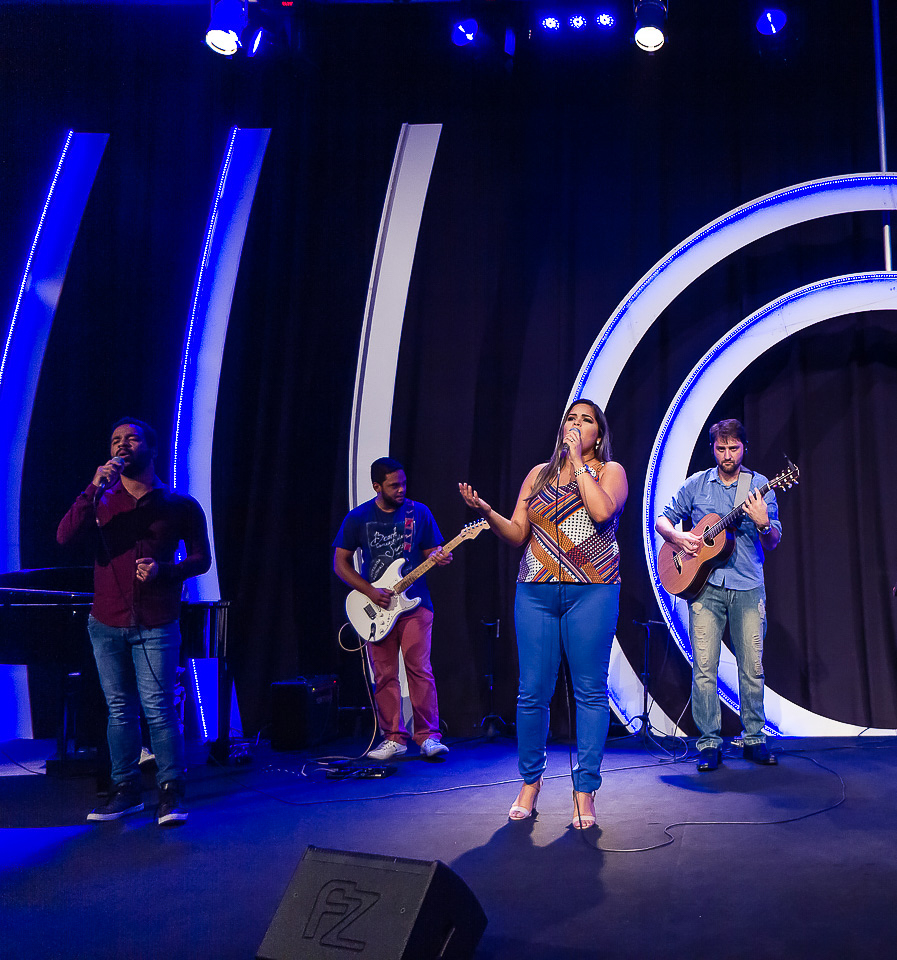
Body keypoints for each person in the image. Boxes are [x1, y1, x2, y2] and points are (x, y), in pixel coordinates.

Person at [460, 400, 627, 828]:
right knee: (532, 691)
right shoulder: (537, 475)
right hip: (534, 589)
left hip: (592, 589)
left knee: (590, 691)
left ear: (599, 435)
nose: (576, 424)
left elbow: (602, 511)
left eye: (586, 420)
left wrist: (578, 462)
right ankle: (530, 783)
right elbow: (518, 533)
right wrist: (488, 512)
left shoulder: (610, 472)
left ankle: (585, 791)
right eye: (570, 418)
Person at [57, 418, 211, 824]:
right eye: (115, 440)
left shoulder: (179, 505)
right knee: (119, 710)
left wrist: (165, 570)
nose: (122, 445)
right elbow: (63, 537)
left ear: (152, 449)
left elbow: (201, 559)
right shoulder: (100, 501)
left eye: (132, 438)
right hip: (105, 621)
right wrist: (93, 487)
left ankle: (170, 791)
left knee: (159, 708)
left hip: (156, 621)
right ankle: (124, 789)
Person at [655, 418, 781, 772]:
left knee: (752, 667)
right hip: (705, 588)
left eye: (734, 448)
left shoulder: (758, 486)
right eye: (721, 448)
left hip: (747, 586)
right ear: (713, 448)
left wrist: (763, 522)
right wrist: (678, 539)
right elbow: (662, 520)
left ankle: (755, 737)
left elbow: (773, 541)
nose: (727, 455)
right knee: (705, 668)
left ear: (744, 448)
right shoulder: (697, 484)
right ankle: (709, 743)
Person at [333, 457, 452, 760]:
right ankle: (394, 738)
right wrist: (370, 590)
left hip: (416, 604)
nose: (401, 489)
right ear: (377, 486)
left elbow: (431, 551)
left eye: (403, 483)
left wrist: (440, 556)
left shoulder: (418, 513)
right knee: (384, 674)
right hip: (377, 607)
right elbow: (340, 563)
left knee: (419, 669)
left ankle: (428, 737)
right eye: (393, 485)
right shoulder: (358, 518)